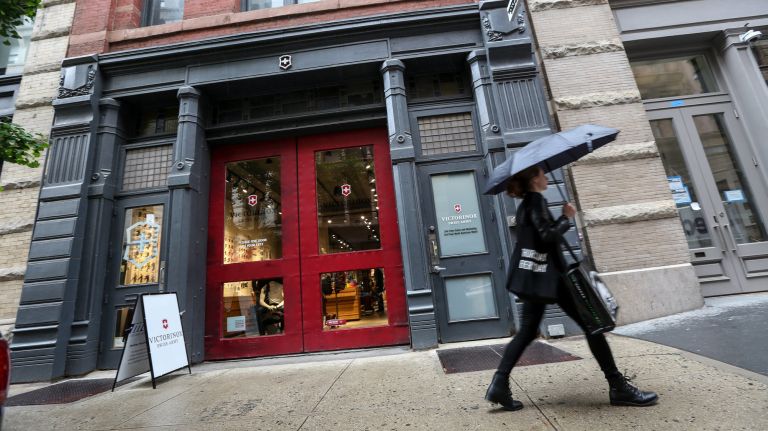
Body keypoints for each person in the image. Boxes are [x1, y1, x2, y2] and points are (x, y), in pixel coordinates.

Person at [485, 165, 658, 411]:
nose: (546, 178)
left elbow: (541, 237)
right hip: (553, 279)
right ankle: (618, 386)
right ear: (534, 179)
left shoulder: (527, 204)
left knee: (526, 332)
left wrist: (560, 219)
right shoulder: (536, 201)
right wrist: (566, 218)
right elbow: (547, 237)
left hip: (538, 280)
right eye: (542, 174)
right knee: (593, 325)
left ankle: (499, 384)